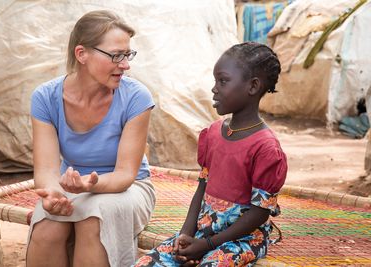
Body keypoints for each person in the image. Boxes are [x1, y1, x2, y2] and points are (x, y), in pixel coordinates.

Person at [133, 42, 288, 266]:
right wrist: (186, 235)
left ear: (253, 86)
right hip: (203, 232)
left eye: (223, 81)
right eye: (215, 81)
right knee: (147, 262)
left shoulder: (266, 148)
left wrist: (207, 246)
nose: (214, 88)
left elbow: (259, 213)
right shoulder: (214, 133)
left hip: (242, 240)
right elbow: (202, 187)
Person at [26, 10, 156, 267]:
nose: (125, 64)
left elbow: (124, 175)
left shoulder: (136, 97)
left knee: (92, 220)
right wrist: (53, 194)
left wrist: (86, 185)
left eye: (127, 55)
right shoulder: (45, 98)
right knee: (47, 228)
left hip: (128, 189)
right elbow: (47, 170)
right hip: (70, 186)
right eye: (116, 55)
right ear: (81, 54)